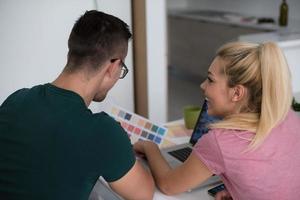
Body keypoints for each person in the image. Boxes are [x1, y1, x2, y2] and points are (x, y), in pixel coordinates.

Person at [0, 10, 154, 200]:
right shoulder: (102, 132)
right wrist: (148, 149)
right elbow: (144, 195)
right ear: (113, 66)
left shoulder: (15, 100)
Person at [134, 41, 300, 199]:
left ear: (236, 93)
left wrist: (151, 148)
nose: (202, 86)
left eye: (210, 80)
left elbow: (169, 185)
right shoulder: (289, 117)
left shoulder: (220, 142)